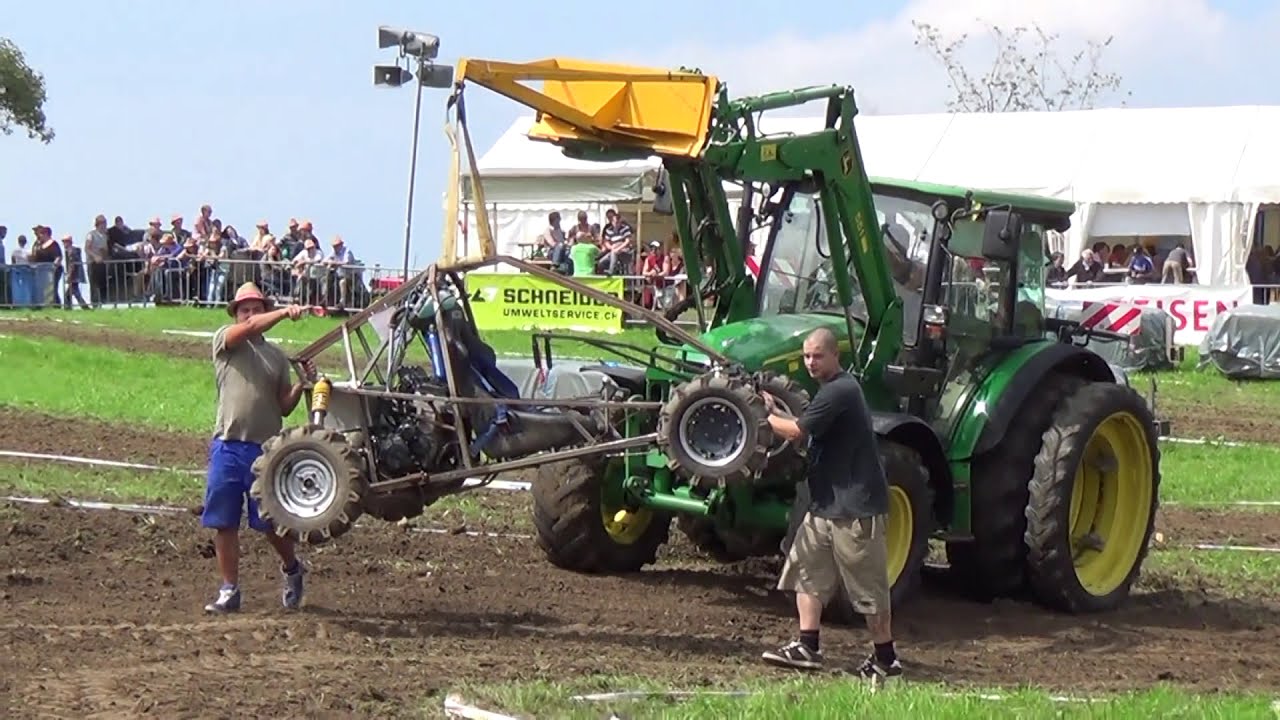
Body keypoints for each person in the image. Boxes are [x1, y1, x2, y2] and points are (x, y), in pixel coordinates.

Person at [759, 327, 902, 682]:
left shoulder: (841, 390)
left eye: (818, 356)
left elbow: (796, 431)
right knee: (806, 571)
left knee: (868, 589)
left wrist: (761, 416)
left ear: (835, 356)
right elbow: (803, 427)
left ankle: (887, 660)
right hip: (825, 504)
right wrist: (775, 410)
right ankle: (808, 645)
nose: (811, 362)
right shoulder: (828, 392)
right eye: (806, 356)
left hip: (855, 509)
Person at [202, 282, 317, 614]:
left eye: (256, 308)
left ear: (263, 310)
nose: (250, 315)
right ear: (236, 314)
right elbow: (250, 329)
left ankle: (292, 568)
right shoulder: (226, 340)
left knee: (269, 522)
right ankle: (229, 589)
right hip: (227, 444)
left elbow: (283, 406)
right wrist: (284, 313)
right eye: (244, 309)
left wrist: (302, 384)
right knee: (224, 521)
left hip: (264, 450)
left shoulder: (276, 357)